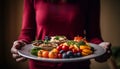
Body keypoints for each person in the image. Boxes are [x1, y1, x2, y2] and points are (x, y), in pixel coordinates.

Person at [11, 0, 112, 69]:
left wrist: (100, 47)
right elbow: (27, 32)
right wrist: (21, 43)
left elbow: (93, 35)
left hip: (77, 65)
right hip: (40, 65)